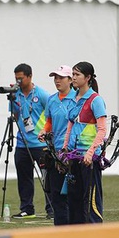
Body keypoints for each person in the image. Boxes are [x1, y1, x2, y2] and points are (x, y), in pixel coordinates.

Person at [61, 61, 107, 224]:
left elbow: (102, 130)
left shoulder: (96, 100)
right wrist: (64, 149)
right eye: (73, 74)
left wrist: (90, 152)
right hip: (74, 157)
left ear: (87, 78)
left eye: (77, 74)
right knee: (74, 199)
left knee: (91, 200)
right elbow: (70, 126)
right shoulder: (73, 98)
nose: (73, 78)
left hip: (89, 159)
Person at [9, 63, 53, 219]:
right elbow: (14, 115)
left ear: (29, 76)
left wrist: (47, 134)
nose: (18, 82)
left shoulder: (41, 94)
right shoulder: (16, 94)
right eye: (16, 78)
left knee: (47, 177)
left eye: (20, 78)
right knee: (24, 178)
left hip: (40, 144)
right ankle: (27, 208)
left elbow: (51, 114)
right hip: (22, 143)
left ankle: (52, 208)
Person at [38, 65, 76, 225]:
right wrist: (43, 131)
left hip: (73, 152)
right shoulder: (52, 100)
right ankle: (60, 231)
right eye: (55, 78)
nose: (57, 81)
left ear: (70, 80)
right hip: (55, 154)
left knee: (73, 194)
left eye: (61, 77)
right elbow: (49, 122)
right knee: (56, 194)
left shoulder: (78, 98)